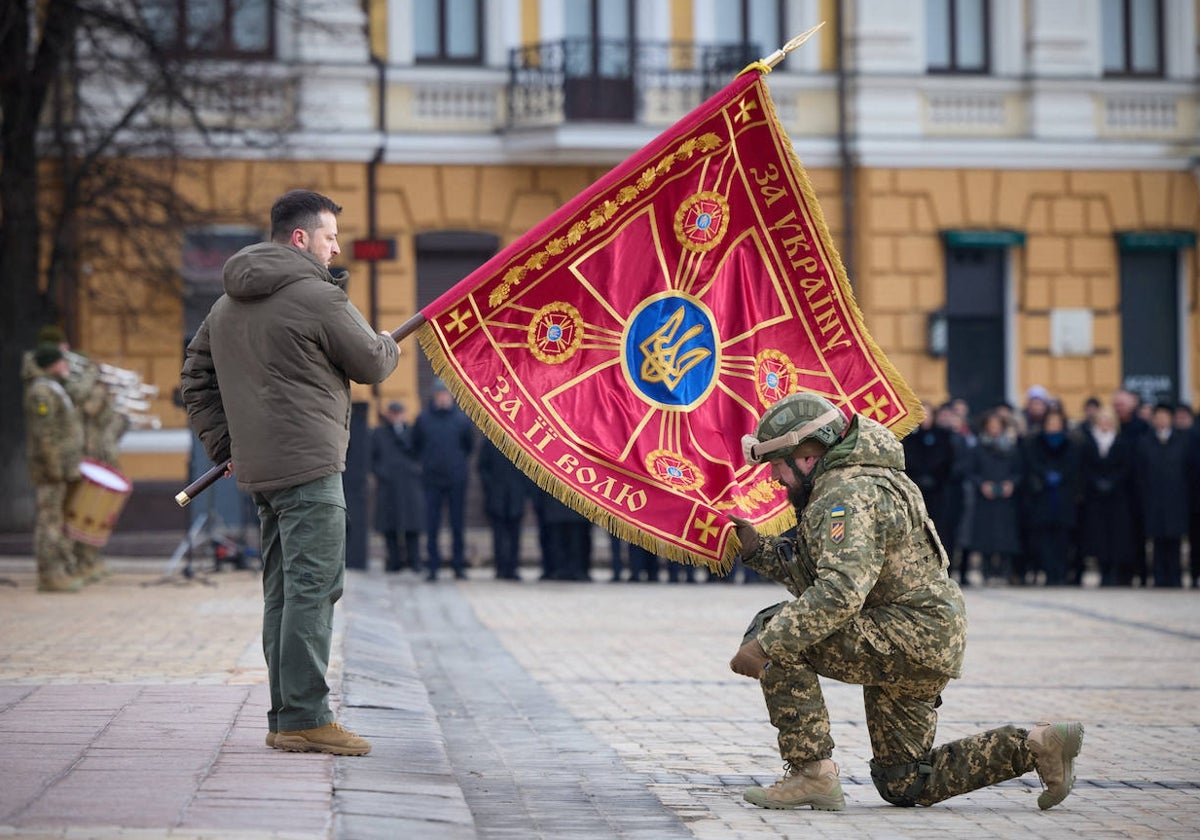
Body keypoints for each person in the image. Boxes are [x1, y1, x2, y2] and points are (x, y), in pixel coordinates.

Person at [727, 392, 1083, 812]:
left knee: (775, 629)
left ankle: (811, 773)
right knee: (905, 781)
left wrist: (768, 646)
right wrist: (756, 550)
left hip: (907, 634)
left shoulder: (845, 493)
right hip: (924, 636)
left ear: (807, 455)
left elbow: (839, 592)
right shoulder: (863, 478)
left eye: (778, 465)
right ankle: (1037, 746)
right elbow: (822, 573)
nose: (774, 478)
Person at [181, 189, 399, 756]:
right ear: (300, 239)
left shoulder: (226, 303)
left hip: (261, 470)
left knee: (282, 592)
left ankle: (287, 716)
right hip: (311, 466)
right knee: (313, 588)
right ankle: (304, 716)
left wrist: (226, 446)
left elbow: (195, 378)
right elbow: (373, 362)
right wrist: (387, 346)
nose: (336, 249)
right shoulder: (316, 296)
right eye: (330, 238)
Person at [23, 343, 86, 593]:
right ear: (52, 364)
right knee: (49, 522)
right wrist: (54, 468)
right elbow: (45, 435)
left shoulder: (54, 387)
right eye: (61, 361)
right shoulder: (42, 392)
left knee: (56, 520)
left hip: (62, 468)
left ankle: (58, 570)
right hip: (52, 471)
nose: (66, 365)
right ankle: (49, 574)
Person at [412, 382, 475, 580]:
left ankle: (458, 565)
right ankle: (433, 566)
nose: (443, 397)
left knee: (457, 524)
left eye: (446, 394)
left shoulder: (461, 420)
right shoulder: (423, 420)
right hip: (432, 480)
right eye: (439, 394)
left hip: (456, 480)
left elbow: (468, 446)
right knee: (432, 525)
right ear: (434, 396)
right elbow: (416, 445)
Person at [1020, 407, 1082, 586]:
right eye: (1050, 423)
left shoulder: (1072, 444)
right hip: (1042, 497)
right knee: (1043, 538)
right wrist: (1044, 476)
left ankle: (1061, 572)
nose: (1053, 426)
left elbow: (1074, 468)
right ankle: (1047, 572)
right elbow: (1031, 465)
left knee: (1063, 538)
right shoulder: (1034, 443)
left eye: (1057, 423)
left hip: (1064, 497)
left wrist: (1061, 476)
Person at [1077, 405, 1137, 586]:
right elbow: (1085, 467)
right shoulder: (1088, 443)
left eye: (1108, 421)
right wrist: (1097, 482)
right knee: (1098, 537)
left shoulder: (1121, 442)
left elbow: (1126, 468)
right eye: (1101, 420)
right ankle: (1103, 570)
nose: (1105, 424)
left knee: (1116, 536)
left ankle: (1114, 572)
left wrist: (1112, 482)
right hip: (1095, 497)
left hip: (1117, 497)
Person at [965, 409, 1023, 585]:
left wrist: (1011, 483)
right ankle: (987, 570)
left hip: (1006, 499)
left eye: (997, 426)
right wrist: (982, 484)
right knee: (986, 537)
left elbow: (1019, 471)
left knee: (1005, 536)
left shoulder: (1011, 448)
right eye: (991, 426)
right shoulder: (978, 448)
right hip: (985, 498)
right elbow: (971, 471)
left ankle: (1004, 571)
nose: (994, 429)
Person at [1135, 403, 1190, 588]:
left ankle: (1175, 578)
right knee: (1156, 541)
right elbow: (1140, 473)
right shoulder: (1145, 442)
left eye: (1165, 416)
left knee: (1175, 540)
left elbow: (1189, 472)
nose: (1161, 420)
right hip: (1153, 499)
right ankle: (1158, 578)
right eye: (1157, 416)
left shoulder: (1182, 441)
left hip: (1177, 499)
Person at [370, 401, 423, 573]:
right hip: (389, 486)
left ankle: (414, 561)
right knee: (390, 526)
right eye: (393, 413)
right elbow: (372, 458)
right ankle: (394, 562)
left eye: (399, 413)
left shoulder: (413, 432)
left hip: (410, 486)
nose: (397, 417)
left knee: (412, 526)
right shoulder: (379, 433)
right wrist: (382, 473)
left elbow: (420, 453)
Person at [477, 438, 531, 580]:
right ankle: (500, 568)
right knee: (499, 535)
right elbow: (483, 467)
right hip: (497, 495)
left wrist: (523, 490)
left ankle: (512, 568)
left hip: (515, 495)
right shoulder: (490, 441)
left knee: (515, 535)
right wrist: (490, 487)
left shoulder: (522, 441)